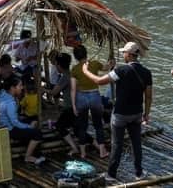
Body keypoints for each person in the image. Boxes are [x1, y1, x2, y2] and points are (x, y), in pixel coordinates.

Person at [82, 41, 152, 181]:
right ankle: (139, 173)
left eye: (124, 53)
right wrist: (146, 114)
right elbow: (148, 96)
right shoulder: (146, 73)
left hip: (120, 114)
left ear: (129, 55)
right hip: (137, 113)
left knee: (117, 145)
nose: (123, 55)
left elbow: (99, 81)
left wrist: (86, 71)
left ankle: (111, 174)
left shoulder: (121, 71)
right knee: (136, 143)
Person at [70, 44, 108, 159]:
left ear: (76, 57)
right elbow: (107, 68)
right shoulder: (95, 64)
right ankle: (102, 151)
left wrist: (73, 105)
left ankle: (83, 153)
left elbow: (73, 89)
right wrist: (111, 63)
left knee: (82, 126)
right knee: (98, 125)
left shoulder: (75, 69)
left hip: (81, 97)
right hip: (94, 95)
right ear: (86, 53)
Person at [0, 75, 45, 165]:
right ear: (12, 88)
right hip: (10, 130)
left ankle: (36, 153)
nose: (22, 88)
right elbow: (14, 122)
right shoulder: (10, 102)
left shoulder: (2, 94)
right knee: (37, 133)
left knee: (31, 122)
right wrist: (28, 126)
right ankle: (28, 157)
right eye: (19, 86)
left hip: (4, 125)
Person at [44, 52, 80, 156]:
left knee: (60, 126)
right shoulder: (71, 73)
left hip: (70, 107)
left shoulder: (65, 77)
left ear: (59, 66)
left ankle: (74, 147)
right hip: (77, 105)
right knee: (76, 128)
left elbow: (54, 92)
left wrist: (42, 90)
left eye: (56, 64)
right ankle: (95, 144)